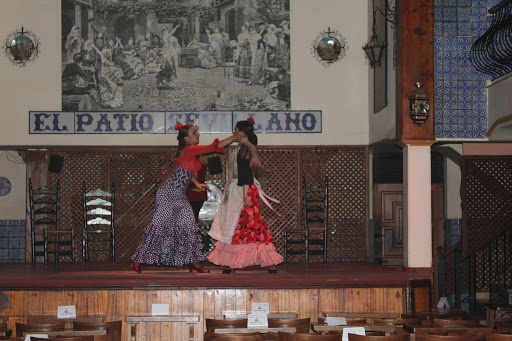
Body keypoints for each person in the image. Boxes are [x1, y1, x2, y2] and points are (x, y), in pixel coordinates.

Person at [130, 125, 240, 274]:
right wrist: (234, 137)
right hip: (167, 194)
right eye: (194, 133)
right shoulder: (190, 150)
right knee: (158, 226)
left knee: (189, 226)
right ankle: (137, 261)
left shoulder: (187, 152)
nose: (198, 134)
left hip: (179, 195)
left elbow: (185, 171)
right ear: (186, 138)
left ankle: (194, 263)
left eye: (197, 132)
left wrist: (196, 183)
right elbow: (213, 147)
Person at [208, 119, 283, 273]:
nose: (234, 132)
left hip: (243, 189)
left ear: (242, 132)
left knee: (244, 224)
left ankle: (255, 260)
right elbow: (219, 147)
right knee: (239, 224)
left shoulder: (245, 148)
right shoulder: (242, 146)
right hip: (238, 188)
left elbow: (245, 173)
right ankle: (239, 260)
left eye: (236, 130)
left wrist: (244, 195)